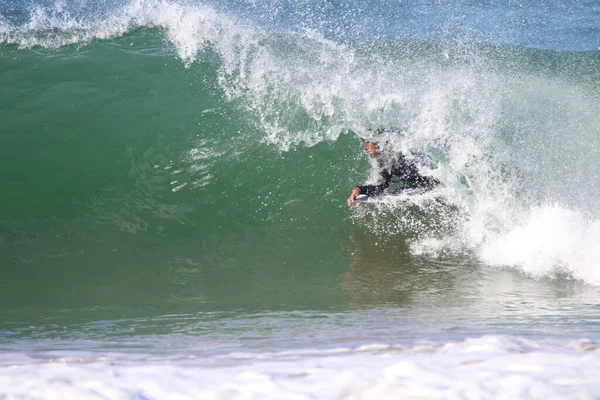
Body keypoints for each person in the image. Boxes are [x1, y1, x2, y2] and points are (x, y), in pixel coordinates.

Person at [347, 140, 440, 206]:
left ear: (378, 144)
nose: (365, 148)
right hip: (433, 178)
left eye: (367, 143)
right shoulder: (396, 151)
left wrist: (361, 189)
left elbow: (381, 187)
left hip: (429, 183)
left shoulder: (388, 159)